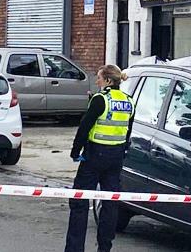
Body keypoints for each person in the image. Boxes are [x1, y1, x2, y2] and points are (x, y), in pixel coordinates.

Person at [64, 65, 134, 252]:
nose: (97, 81)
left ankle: (74, 248)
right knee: (110, 204)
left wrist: (75, 151)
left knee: (79, 201)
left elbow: (84, 127)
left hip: (95, 156)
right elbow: (127, 131)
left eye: (100, 78)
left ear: (108, 81)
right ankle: (104, 248)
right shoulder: (129, 101)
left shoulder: (100, 99)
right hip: (116, 157)